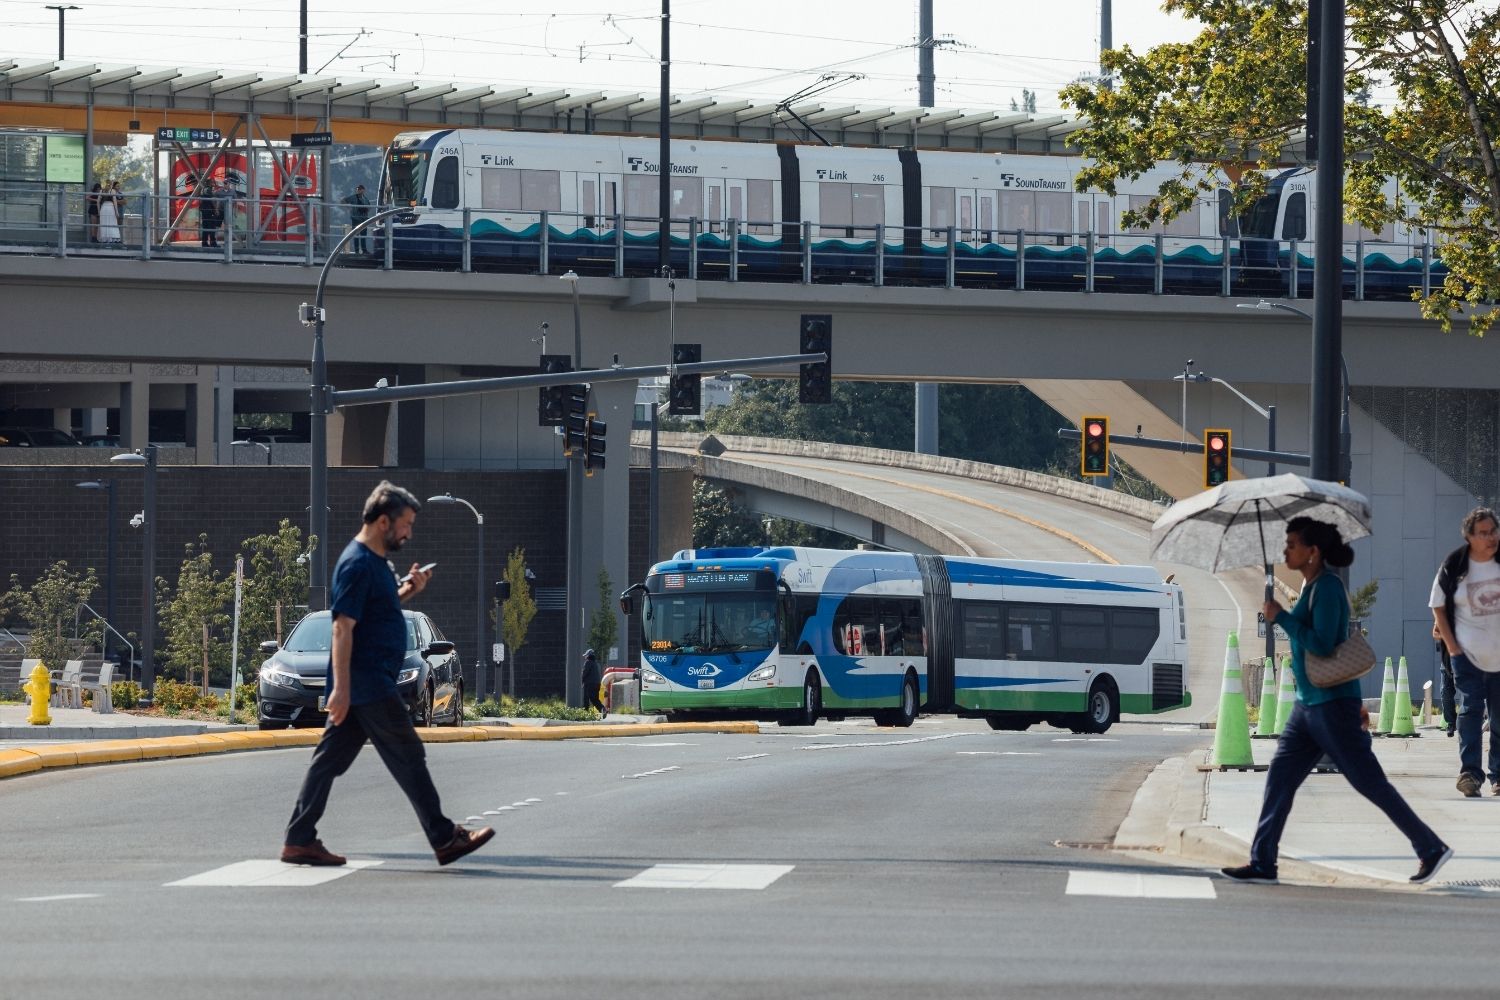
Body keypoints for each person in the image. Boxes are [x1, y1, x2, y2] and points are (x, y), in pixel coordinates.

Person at [1222, 517, 1452, 885]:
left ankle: (1429, 848)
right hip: (1307, 706)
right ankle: (1263, 860)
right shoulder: (1310, 585)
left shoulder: (1327, 588)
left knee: (1369, 782)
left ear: (1313, 552)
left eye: (1293, 544)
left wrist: (1282, 617)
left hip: (1330, 706)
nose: (1287, 550)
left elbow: (1324, 644)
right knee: (1279, 780)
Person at [282, 481, 494, 868]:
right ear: (383, 521)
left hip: (367, 681)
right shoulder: (358, 563)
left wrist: (409, 591)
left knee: (328, 760)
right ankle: (445, 838)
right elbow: (342, 626)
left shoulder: (376, 563)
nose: (409, 532)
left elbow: (377, 611)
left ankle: (299, 839)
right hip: (367, 683)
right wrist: (342, 690)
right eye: (406, 524)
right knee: (409, 755)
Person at [1430, 506, 1500, 797]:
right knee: (1470, 710)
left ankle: (1499, 776)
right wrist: (1453, 646)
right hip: (1467, 656)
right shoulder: (1455, 564)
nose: (1491, 537)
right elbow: (1437, 605)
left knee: (1499, 717)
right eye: (1483, 533)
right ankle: (1470, 774)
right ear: (1469, 536)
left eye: (1494, 531)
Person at [344, 184, 372, 254]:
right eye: (358, 189)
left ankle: (364, 250)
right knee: (356, 235)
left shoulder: (365, 199)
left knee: (363, 235)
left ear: (363, 190)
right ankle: (357, 250)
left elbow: (369, 207)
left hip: (364, 219)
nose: (359, 191)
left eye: (360, 189)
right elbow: (343, 200)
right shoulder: (353, 198)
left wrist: (366, 210)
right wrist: (348, 208)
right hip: (356, 218)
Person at [199, 179, 221, 248]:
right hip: (209, 211)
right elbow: (212, 200)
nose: (213, 184)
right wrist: (216, 210)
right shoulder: (208, 190)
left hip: (204, 211)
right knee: (212, 227)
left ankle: (204, 243)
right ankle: (213, 243)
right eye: (212, 182)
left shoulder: (203, 190)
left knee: (205, 227)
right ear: (209, 183)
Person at [581, 648, 604, 714]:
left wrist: (583, 681)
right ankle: (602, 709)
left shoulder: (588, 662)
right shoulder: (595, 663)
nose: (585, 657)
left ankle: (585, 713)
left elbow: (584, 673)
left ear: (588, 656)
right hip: (597, 684)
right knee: (595, 699)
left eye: (586, 655)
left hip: (589, 684)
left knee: (586, 698)